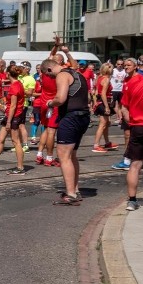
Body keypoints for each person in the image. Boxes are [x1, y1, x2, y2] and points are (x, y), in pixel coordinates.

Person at [41, 47, 91, 206]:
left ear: (49, 68)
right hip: (83, 116)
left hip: (70, 117)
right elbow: (88, 97)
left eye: (48, 74)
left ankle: (70, 194)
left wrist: (51, 103)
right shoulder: (78, 74)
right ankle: (75, 189)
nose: (50, 77)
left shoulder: (62, 75)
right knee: (72, 155)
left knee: (63, 156)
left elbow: (61, 98)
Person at [119, 62, 143, 213]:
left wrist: (132, 123)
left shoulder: (135, 82)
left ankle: (132, 201)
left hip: (137, 127)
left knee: (135, 164)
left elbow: (124, 108)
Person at [91, 63, 116, 153]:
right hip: (104, 102)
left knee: (106, 123)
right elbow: (103, 94)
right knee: (102, 124)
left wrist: (95, 102)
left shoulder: (99, 78)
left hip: (100, 102)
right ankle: (96, 145)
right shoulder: (106, 79)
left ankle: (107, 142)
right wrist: (106, 107)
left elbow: (95, 92)